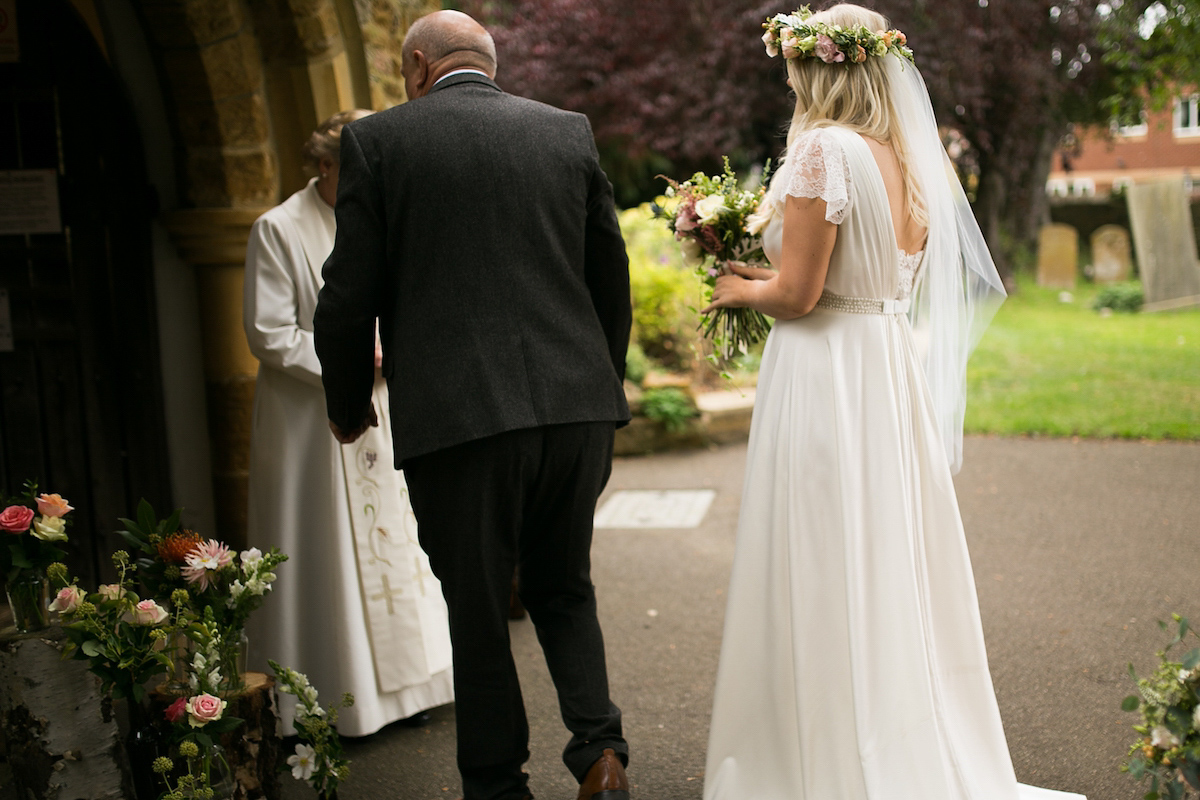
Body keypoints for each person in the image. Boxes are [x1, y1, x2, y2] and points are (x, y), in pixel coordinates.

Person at [701, 6, 1086, 800]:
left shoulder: (820, 150)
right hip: (883, 368)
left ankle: (816, 759)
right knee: (883, 557)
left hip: (824, 372)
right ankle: (892, 728)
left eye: (791, 68)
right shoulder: (909, 156)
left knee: (820, 550)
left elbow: (802, 294)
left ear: (816, 70)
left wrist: (738, 285)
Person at [312, 11, 633, 800]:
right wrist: (601, 384)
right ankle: (600, 754)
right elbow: (610, 274)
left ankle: (497, 783)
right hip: (576, 409)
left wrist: (349, 402)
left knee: (480, 604)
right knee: (564, 587)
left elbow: (348, 297)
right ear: (487, 62)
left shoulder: (381, 143)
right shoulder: (566, 132)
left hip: (460, 421)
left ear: (418, 64)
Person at [243, 110, 454, 738]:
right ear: (325, 165)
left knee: (400, 537)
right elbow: (269, 332)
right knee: (329, 549)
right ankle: (337, 694)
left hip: (387, 403)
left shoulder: (383, 215)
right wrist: (354, 360)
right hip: (314, 418)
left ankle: (417, 686)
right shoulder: (277, 229)